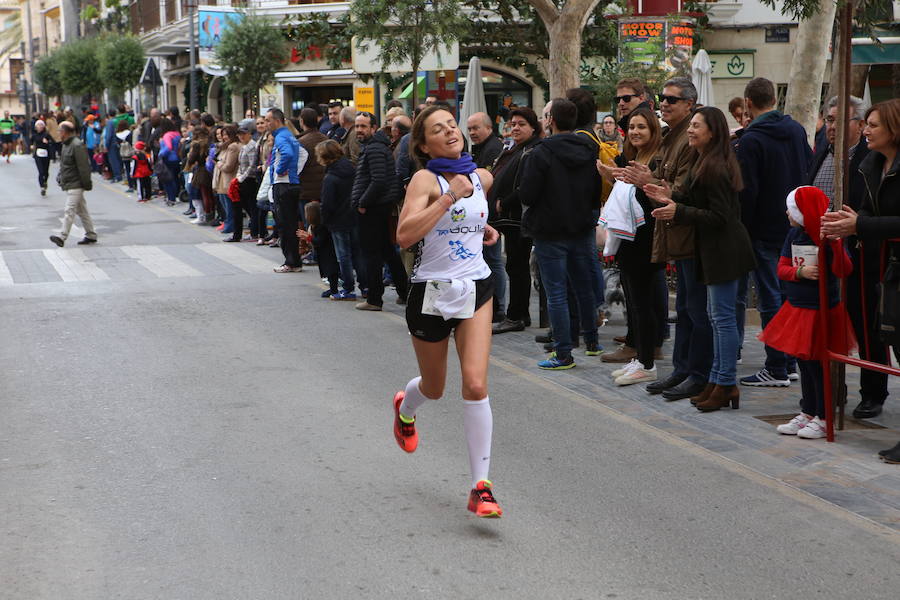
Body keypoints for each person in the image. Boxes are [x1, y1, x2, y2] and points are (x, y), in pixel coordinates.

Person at [392, 104, 503, 518]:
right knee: (435, 388)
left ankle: (481, 487)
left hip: (476, 285)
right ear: (424, 144)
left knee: (475, 385)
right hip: (432, 292)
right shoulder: (424, 179)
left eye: (452, 125)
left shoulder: (483, 176)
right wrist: (449, 197)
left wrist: (481, 228)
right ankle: (406, 407)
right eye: (439, 130)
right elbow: (405, 236)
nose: (451, 132)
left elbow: (471, 221)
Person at [646, 107, 756, 411]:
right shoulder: (703, 160)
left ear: (713, 131)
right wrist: (670, 197)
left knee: (721, 320)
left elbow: (721, 216)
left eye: (697, 126)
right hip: (712, 249)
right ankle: (718, 380)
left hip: (725, 250)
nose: (691, 130)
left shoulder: (717, 166)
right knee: (715, 317)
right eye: (691, 125)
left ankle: (725, 381)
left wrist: (677, 210)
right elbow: (699, 203)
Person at [821, 99, 900, 460]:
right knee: (881, 333)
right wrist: (852, 220)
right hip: (879, 263)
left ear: (895, 130)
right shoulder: (870, 162)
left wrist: (860, 224)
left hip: (890, 266)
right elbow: (870, 208)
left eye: (874, 125)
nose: (866, 131)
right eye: (866, 124)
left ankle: (875, 394)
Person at [622, 78, 707, 401]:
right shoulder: (674, 137)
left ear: (690, 104)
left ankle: (699, 374)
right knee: (685, 309)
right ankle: (683, 370)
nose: (665, 104)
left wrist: (649, 181)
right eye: (663, 98)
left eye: (672, 99)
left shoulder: (687, 141)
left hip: (690, 233)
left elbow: (683, 190)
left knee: (697, 311)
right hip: (675, 234)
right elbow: (668, 182)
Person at [735, 77, 812, 388]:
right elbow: (809, 165)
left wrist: (745, 228)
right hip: (794, 226)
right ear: (774, 100)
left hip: (764, 231)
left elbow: (746, 191)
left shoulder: (751, 140)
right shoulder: (795, 130)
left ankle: (776, 366)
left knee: (770, 299)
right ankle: (789, 361)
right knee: (789, 297)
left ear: (749, 104)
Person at [518, 98, 602, 370]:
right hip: (580, 228)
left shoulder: (541, 152)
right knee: (583, 287)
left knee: (556, 293)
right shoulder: (590, 149)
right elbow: (595, 190)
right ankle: (592, 341)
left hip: (550, 230)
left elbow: (528, 193)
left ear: (551, 120)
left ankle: (563, 353)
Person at [766, 187, 855, 439]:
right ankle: (808, 411)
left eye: (791, 208)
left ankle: (824, 416)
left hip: (822, 311)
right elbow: (781, 268)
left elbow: (843, 269)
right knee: (804, 363)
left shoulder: (828, 237)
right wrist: (799, 273)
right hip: (798, 309)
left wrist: (837, 246)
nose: (787, 212)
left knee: (819, 366)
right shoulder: (794, 235)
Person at [598, 107, 664, 384]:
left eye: (642, 127)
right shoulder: (632, 157)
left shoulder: (656, 160)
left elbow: (656, 196)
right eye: (633, 127)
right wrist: (612, 176)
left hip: (646, 239)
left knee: (643, 302)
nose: (636, 132)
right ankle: (640, 357)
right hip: (628, 238)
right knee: (634, 302)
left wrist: (642, 180)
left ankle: (647, 363)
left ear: (653, 131)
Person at [490, 107, 542, 334]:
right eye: (513, 124)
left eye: (521, 124)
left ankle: (515, 316)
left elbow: (527, 186)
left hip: (518, 218)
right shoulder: (518, 148)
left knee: (517, 267)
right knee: (515, 266)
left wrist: (505, 202)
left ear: (533, 127)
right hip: (512, 219)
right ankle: (521, 314)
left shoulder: (531, 150)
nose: (516, 128)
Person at [350, 111, 409, 310]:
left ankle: (374, 299)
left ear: (373, 128)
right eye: (357, 126)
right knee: (387, 252)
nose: (359, 130)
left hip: (373, 208)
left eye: (363, 126)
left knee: (372, 254)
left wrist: (363, 203)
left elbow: (378, 181)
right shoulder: (374, 147)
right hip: (378, 206)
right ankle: (404, 291)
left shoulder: (374, 149)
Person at [468, 111, 507, 322]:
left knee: (493, 260)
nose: (472, 132)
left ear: (489, 128)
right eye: (470, 128)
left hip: (489, 213)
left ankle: (498, 306)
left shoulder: (493, 148)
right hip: (484, 212)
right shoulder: (482, 148)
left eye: (476, 128)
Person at [317, 139, 364, 300]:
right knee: (357, 253)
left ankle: (348, 288)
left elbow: (327, 204)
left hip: (337, 221)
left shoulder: (330, 177)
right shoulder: (351, 169)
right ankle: (365, 287)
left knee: (343, 256)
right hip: (354, 216)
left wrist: (324, 221)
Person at [266, 108, 304, 273]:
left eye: (268, 120)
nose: (267, 124)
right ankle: (294, 260)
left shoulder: (281, 137)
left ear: (276, 121)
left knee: (284, 225)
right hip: (291, 183)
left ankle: (291, 262)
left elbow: (288, 154)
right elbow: (303, 154)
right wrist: (295, 171)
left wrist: (281, 170)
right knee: (290, 223)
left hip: (283, 185)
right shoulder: (289, 135)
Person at [49, 121, 97, 247]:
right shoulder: (66, 145)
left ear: (65, 132)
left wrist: (87, 183)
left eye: (60, 130)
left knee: (69, 210)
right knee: (82, 211)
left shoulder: (76, 145)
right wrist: (60, 175)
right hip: (70, 181)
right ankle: (91, 235)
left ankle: (62, 236)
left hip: (76, 183)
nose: (58, 133)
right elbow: (64, 164)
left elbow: (83, 167)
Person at [226, 125, 260, 242]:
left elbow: (252, 166)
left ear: (250, 134)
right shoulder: (244, 146)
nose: (241, 136)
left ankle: (252, 232)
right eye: (239, 134)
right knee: (243, 207)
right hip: (242, 179)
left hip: (249, 181)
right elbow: (241, 166)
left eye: (244, 134)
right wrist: (237, 178)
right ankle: (240, 233)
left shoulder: (252, 147)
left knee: (250, 207)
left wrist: (241, 179)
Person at [213, 125, 240, 234]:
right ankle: (228, 224)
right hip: (222, 180)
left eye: (226, 135)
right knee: (225, 205)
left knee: (229, 206)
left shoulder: (233, 147)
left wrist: (218, 163)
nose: (224, 137)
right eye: (223, 135)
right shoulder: (224, 146)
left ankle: (230, 226)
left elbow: (228, 166)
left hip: (228, 180)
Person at [158, 119, 183, 206]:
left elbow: (168, 146)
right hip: (177, 158)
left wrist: (161, 154)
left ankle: (171, 198)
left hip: (169, 159)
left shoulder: (167, 135)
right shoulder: (177, 134)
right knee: (175, 178)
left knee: (168, 179)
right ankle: (175, 196)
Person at [31, 120, 53, 196]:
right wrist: (32, 146)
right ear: (36, 127)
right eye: (38, 125)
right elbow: (32, 141)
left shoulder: (47, 134)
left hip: (46, 154)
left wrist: (48, 142)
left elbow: (52, 142)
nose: (40, 126)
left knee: (46, 172)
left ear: (44, 126)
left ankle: (45, 181)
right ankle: (42, 187)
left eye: (41, 125)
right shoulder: (34, 135)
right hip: (38, 155)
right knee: (41, 172)